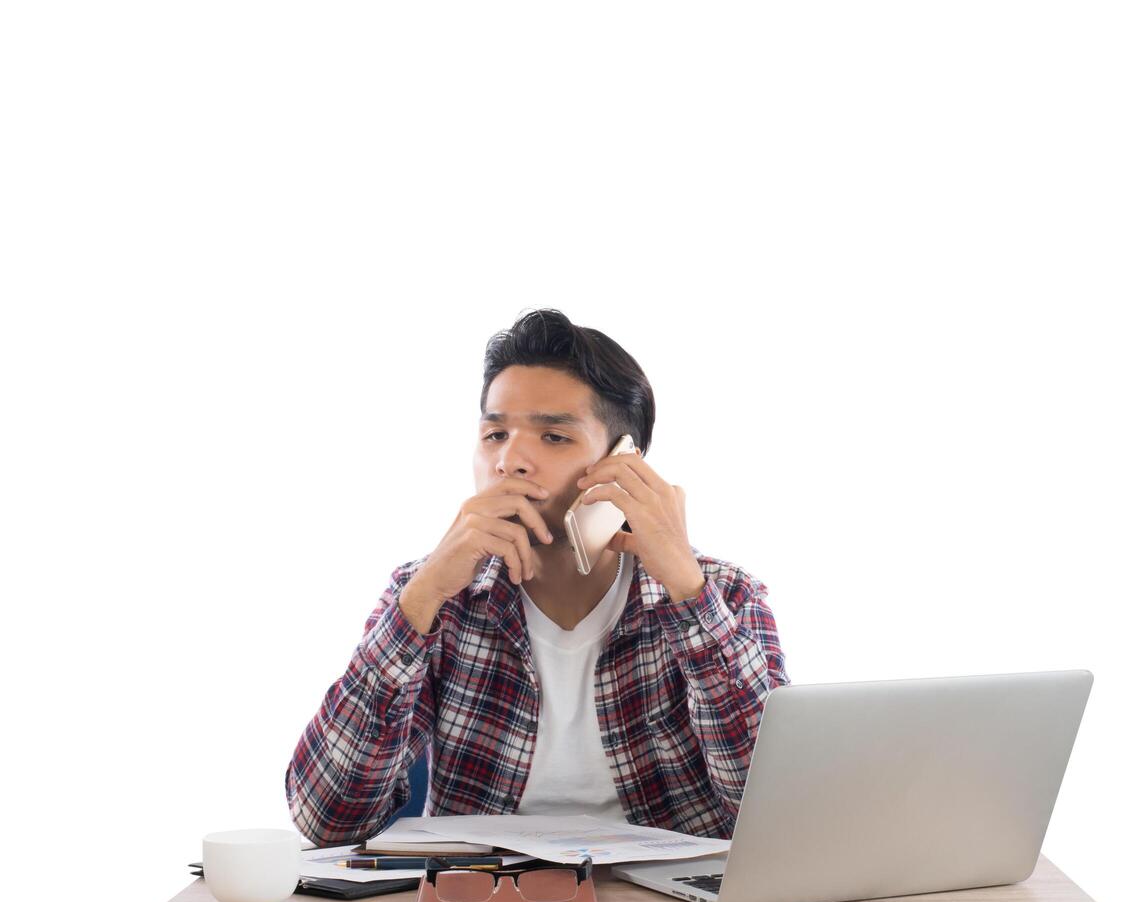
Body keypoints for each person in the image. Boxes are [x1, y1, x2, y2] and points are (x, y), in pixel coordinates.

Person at [285, 309, 789, 846]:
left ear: (626, 464)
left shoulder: (725, 593)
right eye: (495, 433)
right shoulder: (433, 595)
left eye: (553, 437)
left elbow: (778, 816)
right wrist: (422, 598)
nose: (510, 460)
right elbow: (326, 820)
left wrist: (690, 596)